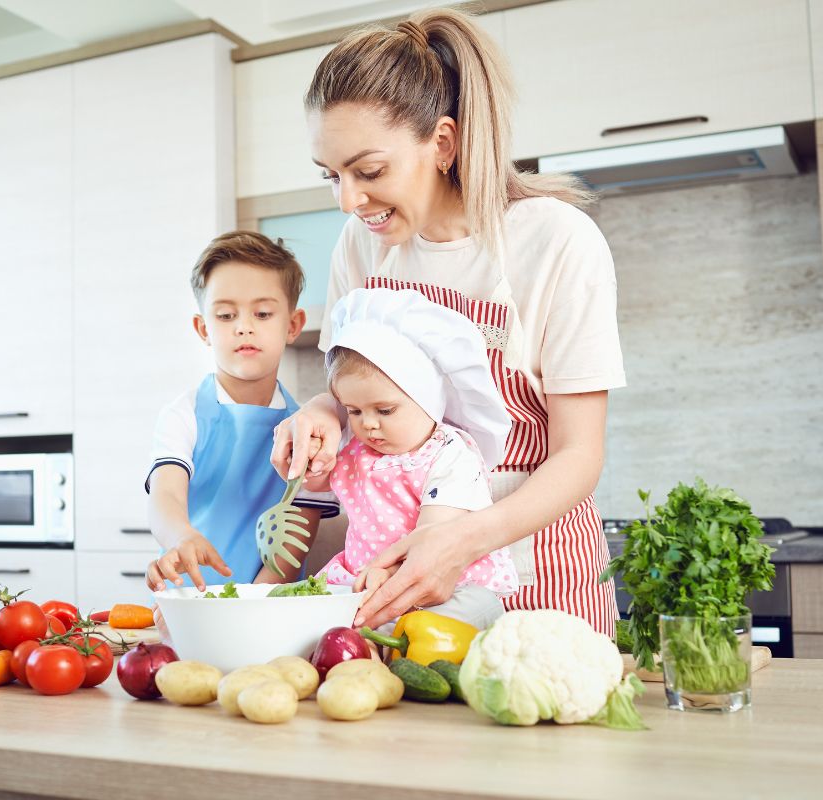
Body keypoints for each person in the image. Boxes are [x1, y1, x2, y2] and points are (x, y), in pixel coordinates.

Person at [272, 8, 625, 636]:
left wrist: (463, 541)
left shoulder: (555, 242)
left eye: (369, 171)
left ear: (443, 142)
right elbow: (347, 383)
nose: (349, 201)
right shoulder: (361, 245)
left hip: (534, 570)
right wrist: (323, 413)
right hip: (395, 579)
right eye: (332, 176)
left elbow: (579, 455)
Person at [145, 232, 338, 594]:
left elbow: (295, 542)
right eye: (225, 314)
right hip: (188, 601)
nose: (244, 326)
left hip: (267, 604)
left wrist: (250, 604)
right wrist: (181, 535)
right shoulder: (183, 414)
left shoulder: (310, 433)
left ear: (293, 325)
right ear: (204, 329)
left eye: (262, 313)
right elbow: (165, 497)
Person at [315, 288, 516, 629]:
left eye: (385, 409)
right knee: (311, 612)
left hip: (447, 585)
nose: (368, 423)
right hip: (368, 582)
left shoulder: (450, 454)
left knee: (446, 619)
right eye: (354, 411)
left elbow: (434, 532)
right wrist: (312, 463)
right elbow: (320, 483)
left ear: (428, 399)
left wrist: (390, 576)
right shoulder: (359, 453)